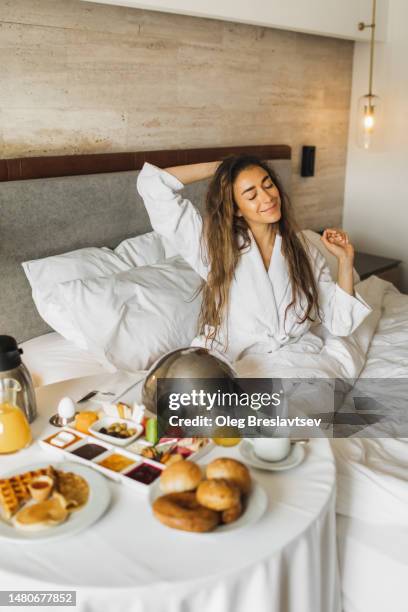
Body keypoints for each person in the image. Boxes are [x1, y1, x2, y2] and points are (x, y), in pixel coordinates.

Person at [136, 154, 371, 363]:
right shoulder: (214, 247)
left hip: (296, 358)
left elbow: (341, 322)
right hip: (235, 358)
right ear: (236, 208)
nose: (267, 197)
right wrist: (224, 168)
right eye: (251, 194)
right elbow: (153, 185)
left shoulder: (305, 250)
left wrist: (345, 260)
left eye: (268, 185)